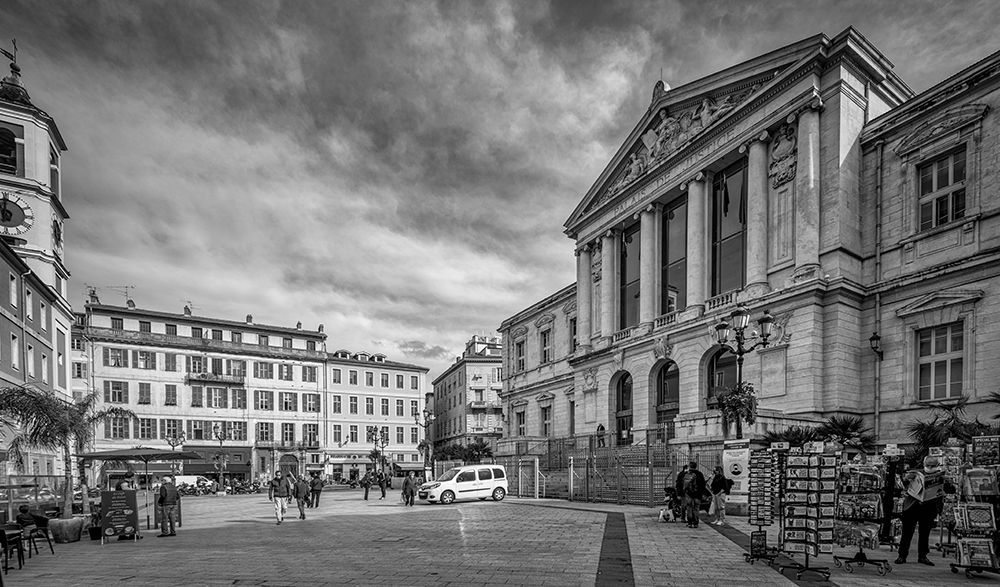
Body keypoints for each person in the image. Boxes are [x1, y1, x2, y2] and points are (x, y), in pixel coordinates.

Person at [896, 456, 947, 566]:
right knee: (907, 532)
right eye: (927, 465)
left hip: (929, 507)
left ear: (938, 466)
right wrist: (906, 479)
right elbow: (903, 484)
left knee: (925, 533)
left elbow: (947, 490)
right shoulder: (917, 474)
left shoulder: (940, 476)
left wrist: (947, 483)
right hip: (912, 506)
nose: (929, 467)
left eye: (932, 466)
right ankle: (902, 555)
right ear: (924, 464)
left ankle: (923, 556)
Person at [678, 461, 706, 528]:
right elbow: (703, 485)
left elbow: (681, 483)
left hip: (688, 494)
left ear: (689, 466)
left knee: (689, 508)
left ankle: (689, 522)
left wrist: (681, 492)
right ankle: (696, 523)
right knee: (696, 508)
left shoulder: (686, 474)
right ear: (696, 466)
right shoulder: (700, 474)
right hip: (697, 494)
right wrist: (701, 493)